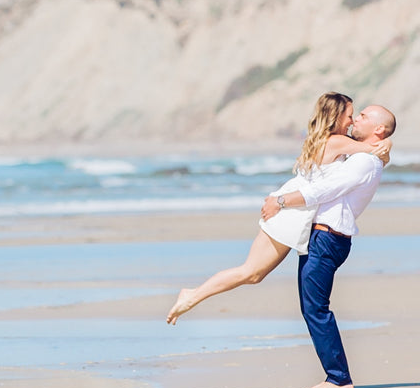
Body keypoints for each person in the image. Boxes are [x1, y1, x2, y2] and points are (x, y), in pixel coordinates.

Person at [165, 93, 390, 325]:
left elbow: (373, 151)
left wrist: (385, 146)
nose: (352, 122)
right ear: (336, 116)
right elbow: (375, 146)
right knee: (251, 272)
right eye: (350, 116)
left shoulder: (328, 139)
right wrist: (387, 143)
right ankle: (191, 295)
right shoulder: (337, 142)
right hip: (292, 211)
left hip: (295, 208)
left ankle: (193, 295)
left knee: (253, 274)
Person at [259, 104, 396, 388]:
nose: (355, 118)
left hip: (327, 239)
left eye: (362, 116)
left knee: (315, 309)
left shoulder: (364, 162)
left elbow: (323, 190)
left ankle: (338, 378)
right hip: (324, 237)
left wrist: (280, 201)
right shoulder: (365, 156)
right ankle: (336, 376)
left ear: (378, 129)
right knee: (313, 309)